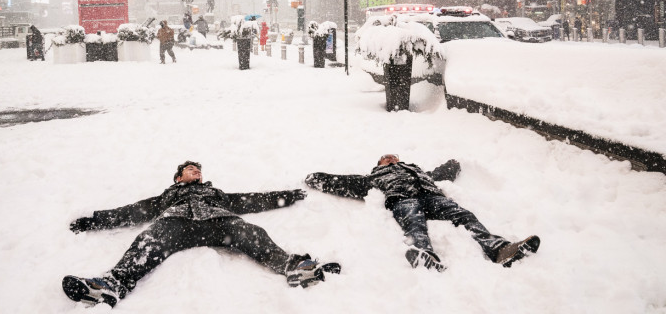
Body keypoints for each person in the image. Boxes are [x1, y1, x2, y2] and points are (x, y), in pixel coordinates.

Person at [62, 161, 339, 307]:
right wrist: (94, 220)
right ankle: (112, 284)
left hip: (220, 224)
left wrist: (286, 196)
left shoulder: (215, 193)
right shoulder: (167, 197)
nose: (196, 171)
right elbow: (133, 211)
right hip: (177, 224)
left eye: (199, 169)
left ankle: (295, 268)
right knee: (150, 239)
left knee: (252, 232)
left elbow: (249, 200)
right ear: (179, 178)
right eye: (190, 169)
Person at [305, 154, 540, 272]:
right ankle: (424, 254)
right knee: (414, 222)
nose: (391, 158)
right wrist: (315, 178)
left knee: (463, 215)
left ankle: (500, 249)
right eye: (386, 158)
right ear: (379, 165)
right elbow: (342, 182)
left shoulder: (420, 171)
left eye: (394, 156)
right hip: (403, 199)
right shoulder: (373, 178)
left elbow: (442, 172)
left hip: (434, 198)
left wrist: (454, 163)